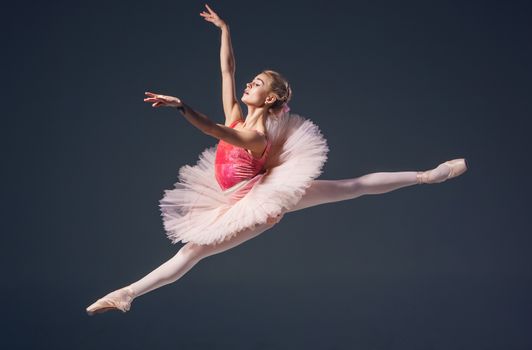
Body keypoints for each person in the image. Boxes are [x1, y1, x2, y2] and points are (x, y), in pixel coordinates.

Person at [86, 4, 468, 315]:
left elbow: (213, 131)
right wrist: (224, 30)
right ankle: (128, 294)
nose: (249, 83)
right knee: (349, 188)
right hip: (235, 196)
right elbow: (228, 70)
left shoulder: (253, 135)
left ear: (270, 99)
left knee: (348, 188)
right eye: (252, 80)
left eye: (258, 83)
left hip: (259, 202)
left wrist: (181, 105)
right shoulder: (238, 114)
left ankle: (426, 176)